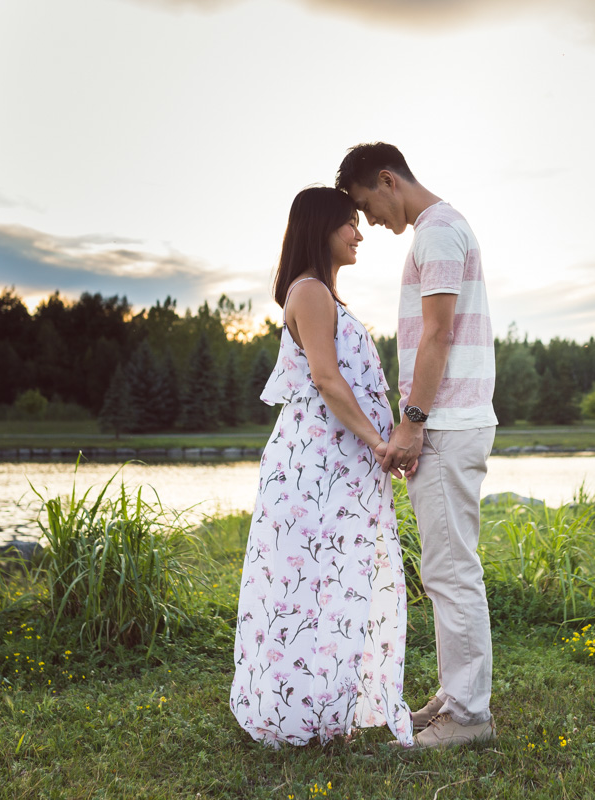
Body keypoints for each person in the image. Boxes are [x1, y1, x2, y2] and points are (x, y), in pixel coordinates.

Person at [229, 186, 414, 748]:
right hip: (318, 465)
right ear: (321, 229)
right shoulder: (309, 292)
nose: (359, 234)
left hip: (338, 464)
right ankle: (300, 716)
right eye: (349, 224)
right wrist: (378, 443)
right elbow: (327, 380)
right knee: (310, 584)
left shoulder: (325, 295)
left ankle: (327, 710)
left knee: (335, 583)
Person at [336, 143, 498, 749]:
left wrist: (412, 420)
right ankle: (456, 695)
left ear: (386, 180)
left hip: (447, 421)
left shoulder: (436, 233)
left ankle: (470, 717)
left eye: (365, 205)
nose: (370, 222)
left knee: (452, 569)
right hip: (451, 420)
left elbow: (438, 331)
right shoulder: (441, 229)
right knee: (444, 566)